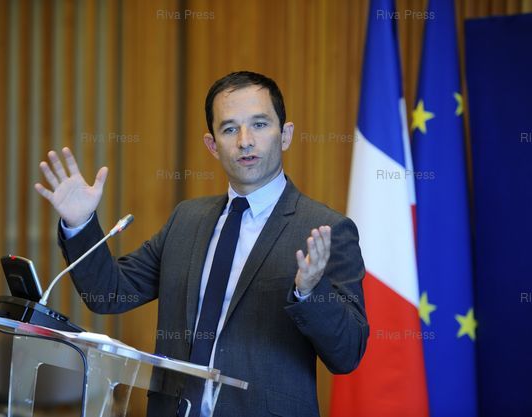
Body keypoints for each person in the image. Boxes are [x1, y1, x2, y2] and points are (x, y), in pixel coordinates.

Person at [35, 71, 368, 417]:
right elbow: (110, 293)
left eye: (259, 125)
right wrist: (80, 224)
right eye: (229, 129)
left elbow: (347, 354)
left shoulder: (326, 229)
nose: (245, 141)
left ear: (285, 135)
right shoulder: (187, 219)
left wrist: (310, 293)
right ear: (212, 145)